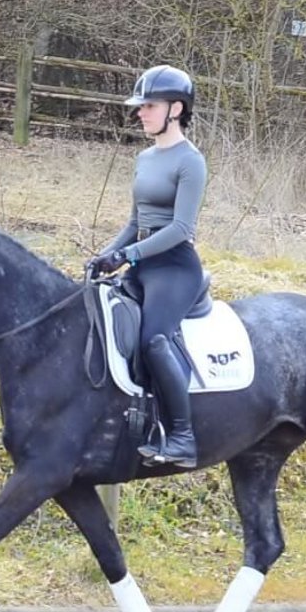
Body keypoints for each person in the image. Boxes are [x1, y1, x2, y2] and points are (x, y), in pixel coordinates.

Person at [87, 64, 208, 468]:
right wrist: (107, 254)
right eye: (141, 107)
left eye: (149, 106)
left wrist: (129, 255)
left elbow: (180, 228)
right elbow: (135, 223)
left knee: (153, 338)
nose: (140, 113)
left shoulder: (191, 162)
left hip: (174, 268)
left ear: (175, 109)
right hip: (141, 265)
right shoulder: (144, 157)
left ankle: (183, 437)